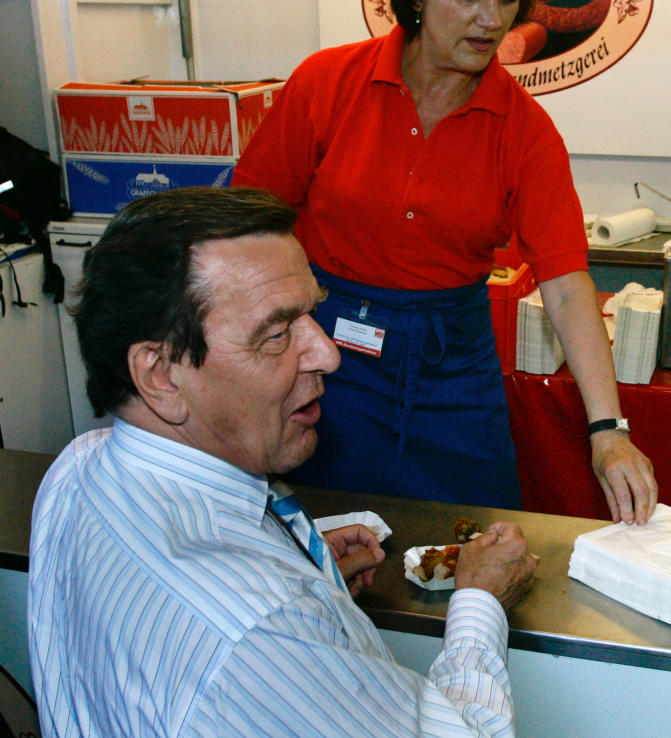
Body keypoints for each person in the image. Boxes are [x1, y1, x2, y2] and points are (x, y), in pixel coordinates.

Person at [28, 186, 538, 737]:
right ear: (159, 374)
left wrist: (299, 560)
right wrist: (480, 602)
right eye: (275, 333)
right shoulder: (259, 635)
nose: (328, 353)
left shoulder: (77, 471)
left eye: (311, 314)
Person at [232, 0, 657, 525]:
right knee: (325, 529)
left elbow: (567, 282)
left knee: (476, 533)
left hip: (453, 366)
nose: (490, 20)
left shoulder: (525, 130)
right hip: (330, 355)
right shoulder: (328, 82)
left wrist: (608, 432)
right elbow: (248, 223)